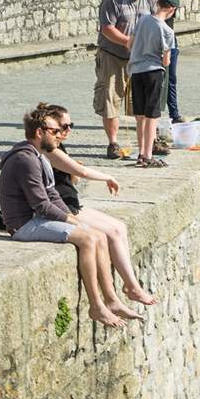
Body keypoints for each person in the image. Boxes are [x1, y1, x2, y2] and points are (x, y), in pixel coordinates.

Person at [0, 106, 143, 329]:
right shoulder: (25, 159)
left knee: (99, 235)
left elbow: (53, 195)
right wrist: (72, 221)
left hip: (37, 218)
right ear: (39, 133)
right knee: (87, 239)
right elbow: (41, 205)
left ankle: (112, 300)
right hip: (23, 225)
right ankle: (96, 306)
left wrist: (73, 219)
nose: (60, 135)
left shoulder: (40, 156)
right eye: (55, 131)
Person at [37, 103, 158, 307]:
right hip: (63, 207)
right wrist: (107, 177)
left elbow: (72, 179)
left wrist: (73, 171)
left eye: (69, 125)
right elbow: (81, 173)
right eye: (64, 126)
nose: (68, 131)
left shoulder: (58, 147)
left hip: (72, 202)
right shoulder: (49, 149)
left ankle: (130, 285)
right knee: (110, 233)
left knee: (120, 227)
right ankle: (130, 287)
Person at [95, 0, 157, 160]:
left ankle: (148, 143)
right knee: (111, 98)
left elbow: (158, 21)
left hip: (139, 59)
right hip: (112, 55)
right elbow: (107, 28)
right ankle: (113, 143)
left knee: (142, 102)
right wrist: (128, 41)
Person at [128, 0, 178, 167]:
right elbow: (166, 61)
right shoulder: (167, 31)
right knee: (152, 115)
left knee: (140, 115)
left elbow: (129, 43)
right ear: (172, 9)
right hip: (153, 72)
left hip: (136, 70)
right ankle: (148, 155)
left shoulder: (142, 20)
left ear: (157, 4)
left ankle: (141, 153)